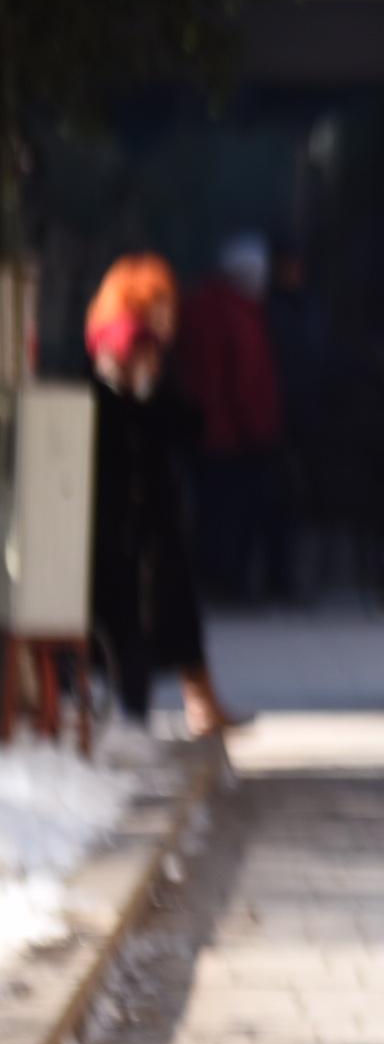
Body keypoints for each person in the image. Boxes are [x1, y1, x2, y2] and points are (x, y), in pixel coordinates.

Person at [82, 256, 239, 736]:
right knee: (136, 620)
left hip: (131, 514)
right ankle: (168, 709)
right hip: (130, 517)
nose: (172, 318)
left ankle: (187, 704)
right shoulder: (132, 347)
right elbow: (159, 423)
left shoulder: (121, 344)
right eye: (163, 306)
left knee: (155, 616)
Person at [176, 233, 288, 602]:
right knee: (233, 515)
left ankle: (211, 579)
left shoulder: (196, 308)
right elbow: (247, 381)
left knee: (209, 512)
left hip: (198, 429)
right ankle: (228, 583)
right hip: (233, 436)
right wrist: (261, 432)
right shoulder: (240, 317)